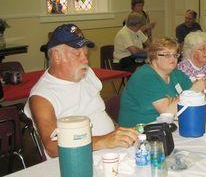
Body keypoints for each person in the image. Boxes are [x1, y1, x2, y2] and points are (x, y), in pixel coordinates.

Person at [24, 24, 139, 158]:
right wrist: (104, 141)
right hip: (76, 161)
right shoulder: (42, 96)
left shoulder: (87, 74)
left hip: (111, 152)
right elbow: (52, 147)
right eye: (77, 54)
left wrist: (118, 131)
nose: (85, 60)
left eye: (85, 54)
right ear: (56, 56)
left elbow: (97, 110)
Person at [118, 37, 206, 126]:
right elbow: (167, 113)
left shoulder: (175, 73)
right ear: (153, 57)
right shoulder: (144, 77)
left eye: (175, 55)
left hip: (167, 125)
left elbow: (199, 100)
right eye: (167, 55)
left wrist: (178, 100)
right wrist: (192, 92)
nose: (173, 59)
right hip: (138, 132)